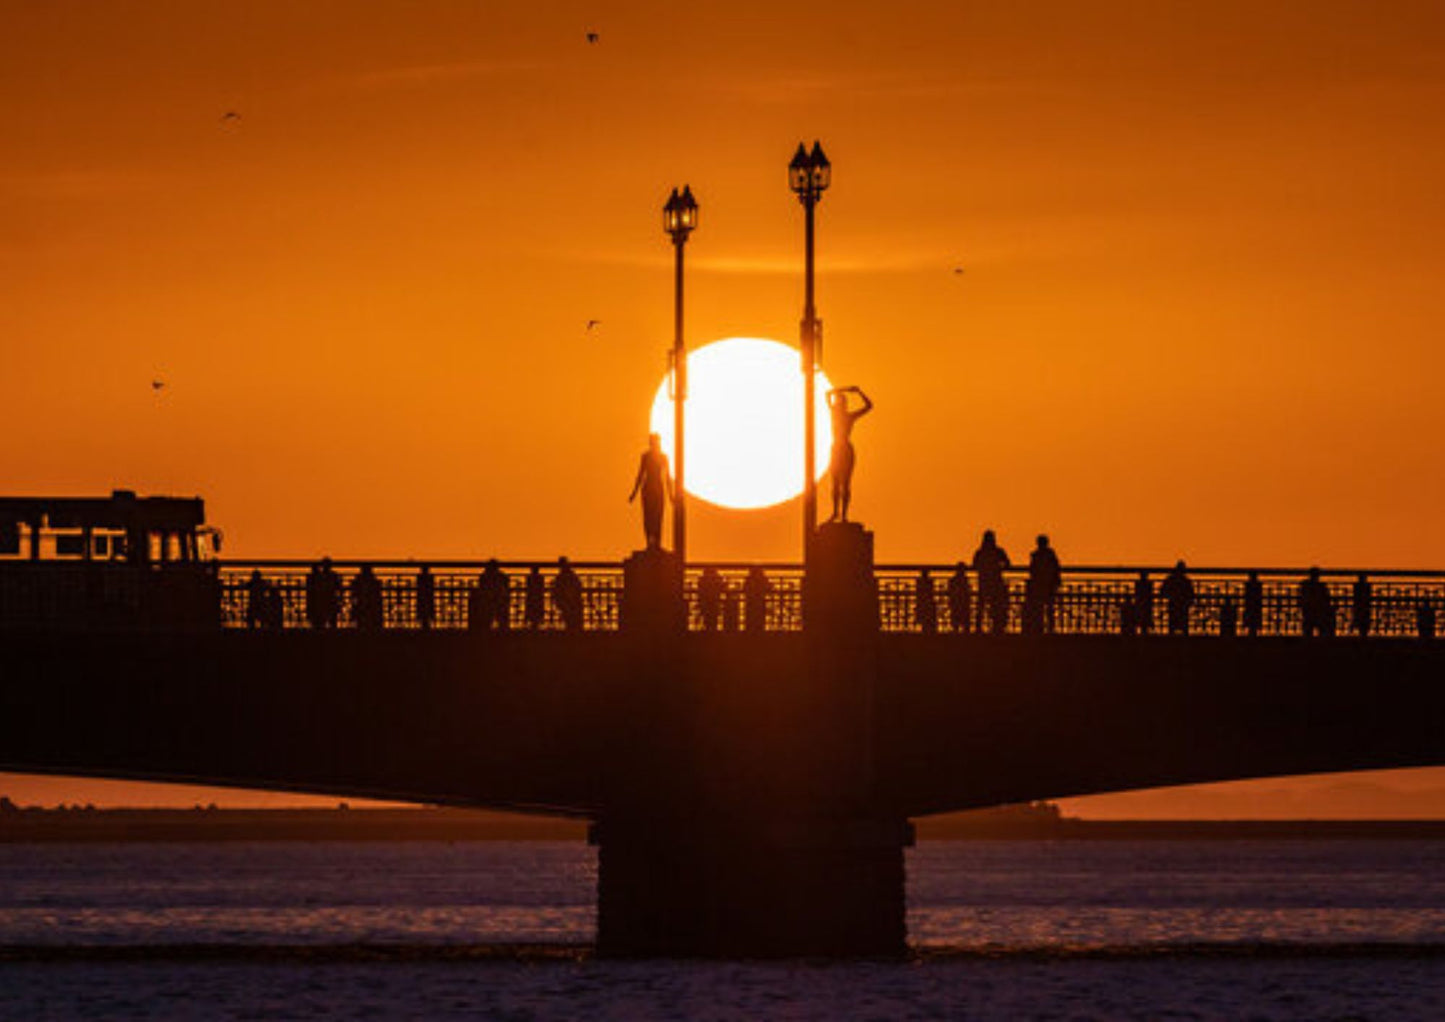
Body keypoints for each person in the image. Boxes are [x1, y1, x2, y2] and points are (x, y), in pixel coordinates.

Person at [825, 385, 874, 523]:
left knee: (845, 484)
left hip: (846, 449)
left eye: (841, 403)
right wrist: (844, 390)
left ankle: (844, 515)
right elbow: (827, 395)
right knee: (835, 483)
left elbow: (869, 406)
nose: (839, 405)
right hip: (836, 449)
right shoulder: (834, 414)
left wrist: (858, 392)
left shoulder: (849, 417)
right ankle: (835, 513)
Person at [628, 433, 673, 551]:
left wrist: (671, 496)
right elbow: (640, 475)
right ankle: (649, 543)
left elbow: (668, 477)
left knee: (658, 517)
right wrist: (634, 493)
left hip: (658, 489)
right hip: (648, 489)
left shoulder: (664, 457)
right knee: (648, 517)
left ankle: (657, 543)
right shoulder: (645, 457)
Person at [972, 530, 1011, 634]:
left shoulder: (980, 552)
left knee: (982, 605)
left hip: (984, 581)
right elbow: (1008, 564)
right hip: (996, 582)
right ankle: (996, 627)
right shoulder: (998, 551)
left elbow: (974, 565)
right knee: (995, 605)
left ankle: (978, 627)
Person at [1028, 535, 1062, 633]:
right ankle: (1049, 627)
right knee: (1048, 607)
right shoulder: (1050, 554)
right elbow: (1056, 568)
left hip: (1040, 585)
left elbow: (1032, 570)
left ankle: (1040, 627)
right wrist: (1056, 580)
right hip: (1048, 584)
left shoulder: (1036, 555)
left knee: (1040, 608)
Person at [472, 559, 510, 631]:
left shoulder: (484, 576)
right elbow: (506, 586)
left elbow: (482, 587)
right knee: (500, 618)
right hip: (499, 599)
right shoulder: (502, 576)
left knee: (488, 618)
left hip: (489, 599)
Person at [1299, 567, 1334, 638]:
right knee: (1322, 627)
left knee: (1309, 629)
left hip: (1311, 611)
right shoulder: (1321, 586)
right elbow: (1327, 598)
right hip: (1318, 612)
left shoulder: (1306, 585)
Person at [1161, 561, 1194, 635]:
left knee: (1173, 624)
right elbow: (1191, 593)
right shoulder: (1185, 581)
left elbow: (1162, 591)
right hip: (1182, 604)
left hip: (1174, 604)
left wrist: (1170, 596)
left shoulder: (1171, 579)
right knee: (1182, 624)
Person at [551, 557, 584, 631]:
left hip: (569, 602)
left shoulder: (562, 577)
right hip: (572, 602)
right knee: (574, 623)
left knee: (570, 621)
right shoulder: (571, 575)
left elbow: (557, 590)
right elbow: (579, 586)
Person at [306, 558, 340, 630]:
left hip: (323, 600)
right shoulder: (333, 575)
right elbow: (338, 587)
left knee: (322, 622)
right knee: (330, 621)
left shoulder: (320, 576)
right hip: (328, 600)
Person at [351, 565, 383, 631]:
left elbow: (354, 592)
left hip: (363, 604)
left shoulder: (358, 580)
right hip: (369, 605)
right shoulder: (373, 581)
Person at [945, 563, 973, 634]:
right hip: (962, 602)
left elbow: (950, 591)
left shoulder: (953, 580)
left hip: (957, 602)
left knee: (956, 619)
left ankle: (956, 631)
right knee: (964, 619)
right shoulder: (964, 580)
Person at [743, 566, 772, 633]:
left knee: (750, 619)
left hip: (750, 602)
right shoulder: (763, 579)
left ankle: (750, 632)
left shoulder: (749, 579)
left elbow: (745, 589)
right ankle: (759, 631)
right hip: (760, 601)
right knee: (760, 618)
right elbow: (769, 588)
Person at [697, 566, 725, 631]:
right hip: (715, 602)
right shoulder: (717, 579)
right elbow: (722, 588)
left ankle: (708, 629)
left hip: (705, 602)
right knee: (713, 617)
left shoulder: (702, 579)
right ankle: (712, 630)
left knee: (707, 617)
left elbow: (700, 590)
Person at [915, 569, 938, 635]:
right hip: (927, 603)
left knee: (925, 620)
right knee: (928, 620)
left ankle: (926, 630)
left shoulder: (919, 581)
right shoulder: (929, 581)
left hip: (923, 602)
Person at [1242, 571, 1264, 637]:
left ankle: (1250, 631)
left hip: (1251, 606)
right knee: (1254, 616)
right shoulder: (1258, 585)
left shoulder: (1248, 585)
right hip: (1255, 607)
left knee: (1251, 615)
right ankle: (1253, 631)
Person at [1351, 573, 1373, 638]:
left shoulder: (1357, 587)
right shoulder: (1366, 586)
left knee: (1361, 618)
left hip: (1360, 608)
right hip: (1363, 608)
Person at [415, 565, 436, 630]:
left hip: (423, 599)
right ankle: (427, 619)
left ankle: (424, 618)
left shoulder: (420, 579)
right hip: (426, 599)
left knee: (424, 604)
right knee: (426, 604)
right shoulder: (429, 579)